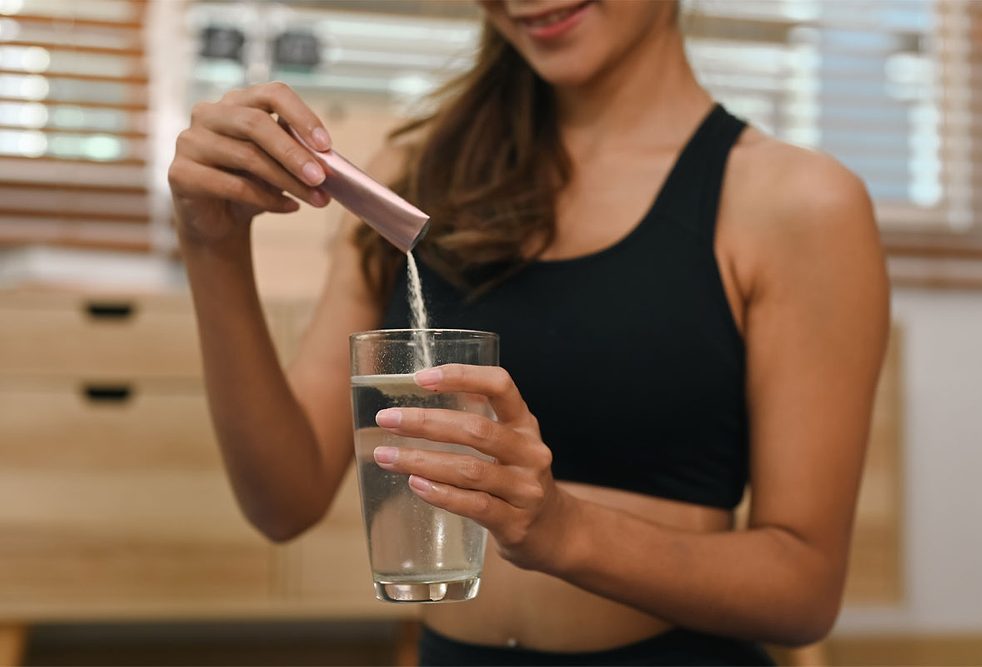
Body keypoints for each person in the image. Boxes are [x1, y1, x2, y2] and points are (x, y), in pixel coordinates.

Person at [168, 0, 889, 664]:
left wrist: (563, 529)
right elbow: (283, 500)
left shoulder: (797, 204)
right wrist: (211, 245)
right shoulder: (409, 180)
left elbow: (802, 590)